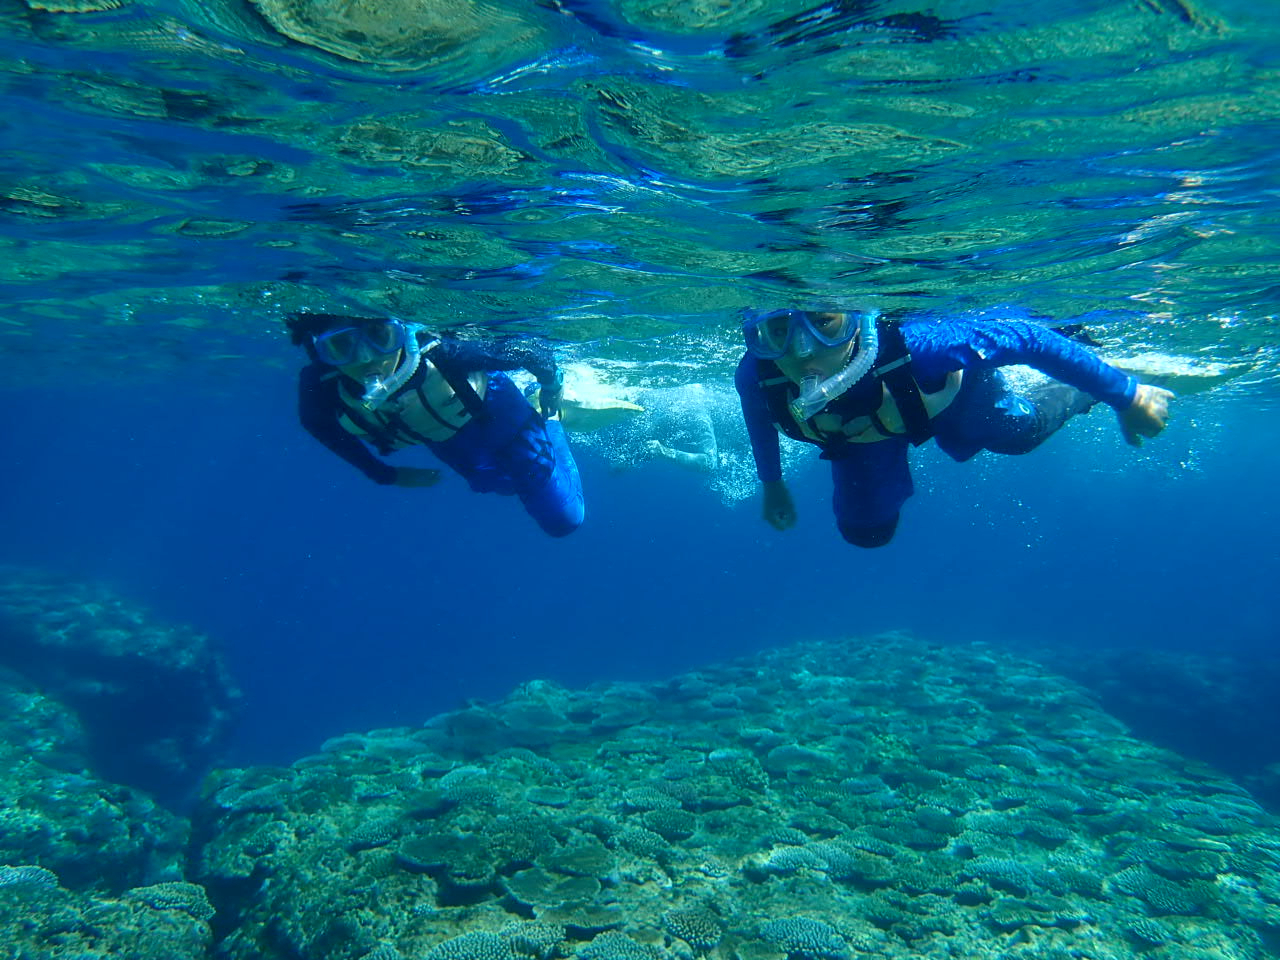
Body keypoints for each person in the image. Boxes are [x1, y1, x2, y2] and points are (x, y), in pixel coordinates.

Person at [735, 307, 1174, 547]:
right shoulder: (758, 374)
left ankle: (1087, 388)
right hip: (859, 438)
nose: (803, 349)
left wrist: (1127, 395)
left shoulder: (922, 347)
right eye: (777, 331)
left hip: (948, 399)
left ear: (855, 320)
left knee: (1018, 433)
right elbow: (760, 421)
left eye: (825, 322)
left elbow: (1028, 336)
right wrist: (772, 484)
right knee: (866, 532)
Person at [285, 312, 584, 538]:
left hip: (500, 411)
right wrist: (383, 474)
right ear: (322, 353)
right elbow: (317, 425)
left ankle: (550, 418)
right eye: (341, 346)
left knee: (563, 519)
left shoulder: (445, 353)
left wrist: (551, 386)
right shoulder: (322, 386)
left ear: (400, 332)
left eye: (379, 336)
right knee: (494, 484)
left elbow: (531, 351)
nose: (366, 358)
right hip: (445, 437)